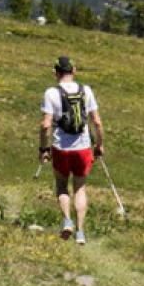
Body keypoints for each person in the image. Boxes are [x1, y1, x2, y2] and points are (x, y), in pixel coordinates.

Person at [39, 56, 103, 244]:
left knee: (61, 185)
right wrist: (99, 145)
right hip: (83, 147)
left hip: (61, 147)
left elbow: (45, 125)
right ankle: (81, 232)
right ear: (74, 70)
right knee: (80, 188)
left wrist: (44, 148)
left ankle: (67, 221)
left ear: (56, 72)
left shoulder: (51, 93)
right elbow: (97, 122)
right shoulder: (86, 91)